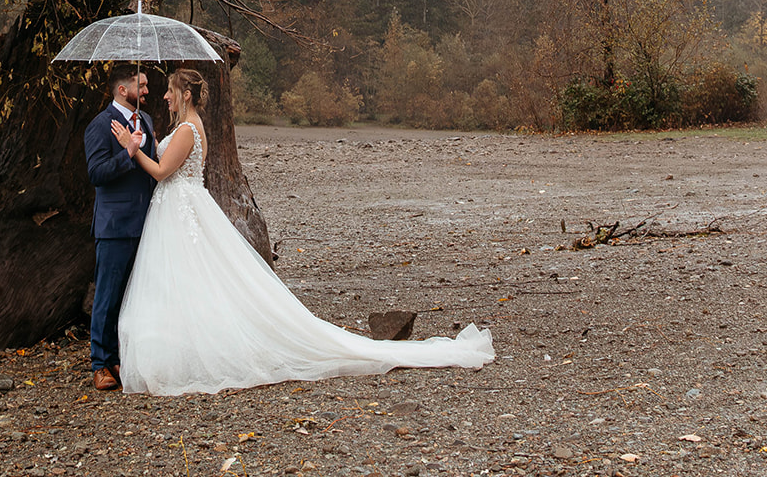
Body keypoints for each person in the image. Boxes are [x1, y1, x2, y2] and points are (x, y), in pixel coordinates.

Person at [111, 67, 495, 396]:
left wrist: (133, 147)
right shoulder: (185, 128)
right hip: (181, 210)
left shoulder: (187, 130)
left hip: (182, 211)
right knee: (189, 282)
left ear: (186, 94)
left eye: (171, 90)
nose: (164, 96)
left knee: (194, 279)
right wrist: (145, 141)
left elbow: (162, 172)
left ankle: (196, 353)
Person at [84, 64, 158, 391]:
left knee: (132, 297)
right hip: (114, 226)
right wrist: (127, 152)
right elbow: (96, 173)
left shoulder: (148, 122)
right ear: (121, 90)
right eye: (140, 85)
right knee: (107, 297)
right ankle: (100, 364)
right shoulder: (100, 126)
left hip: (147, 224)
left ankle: (120, 358)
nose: (146, 90)